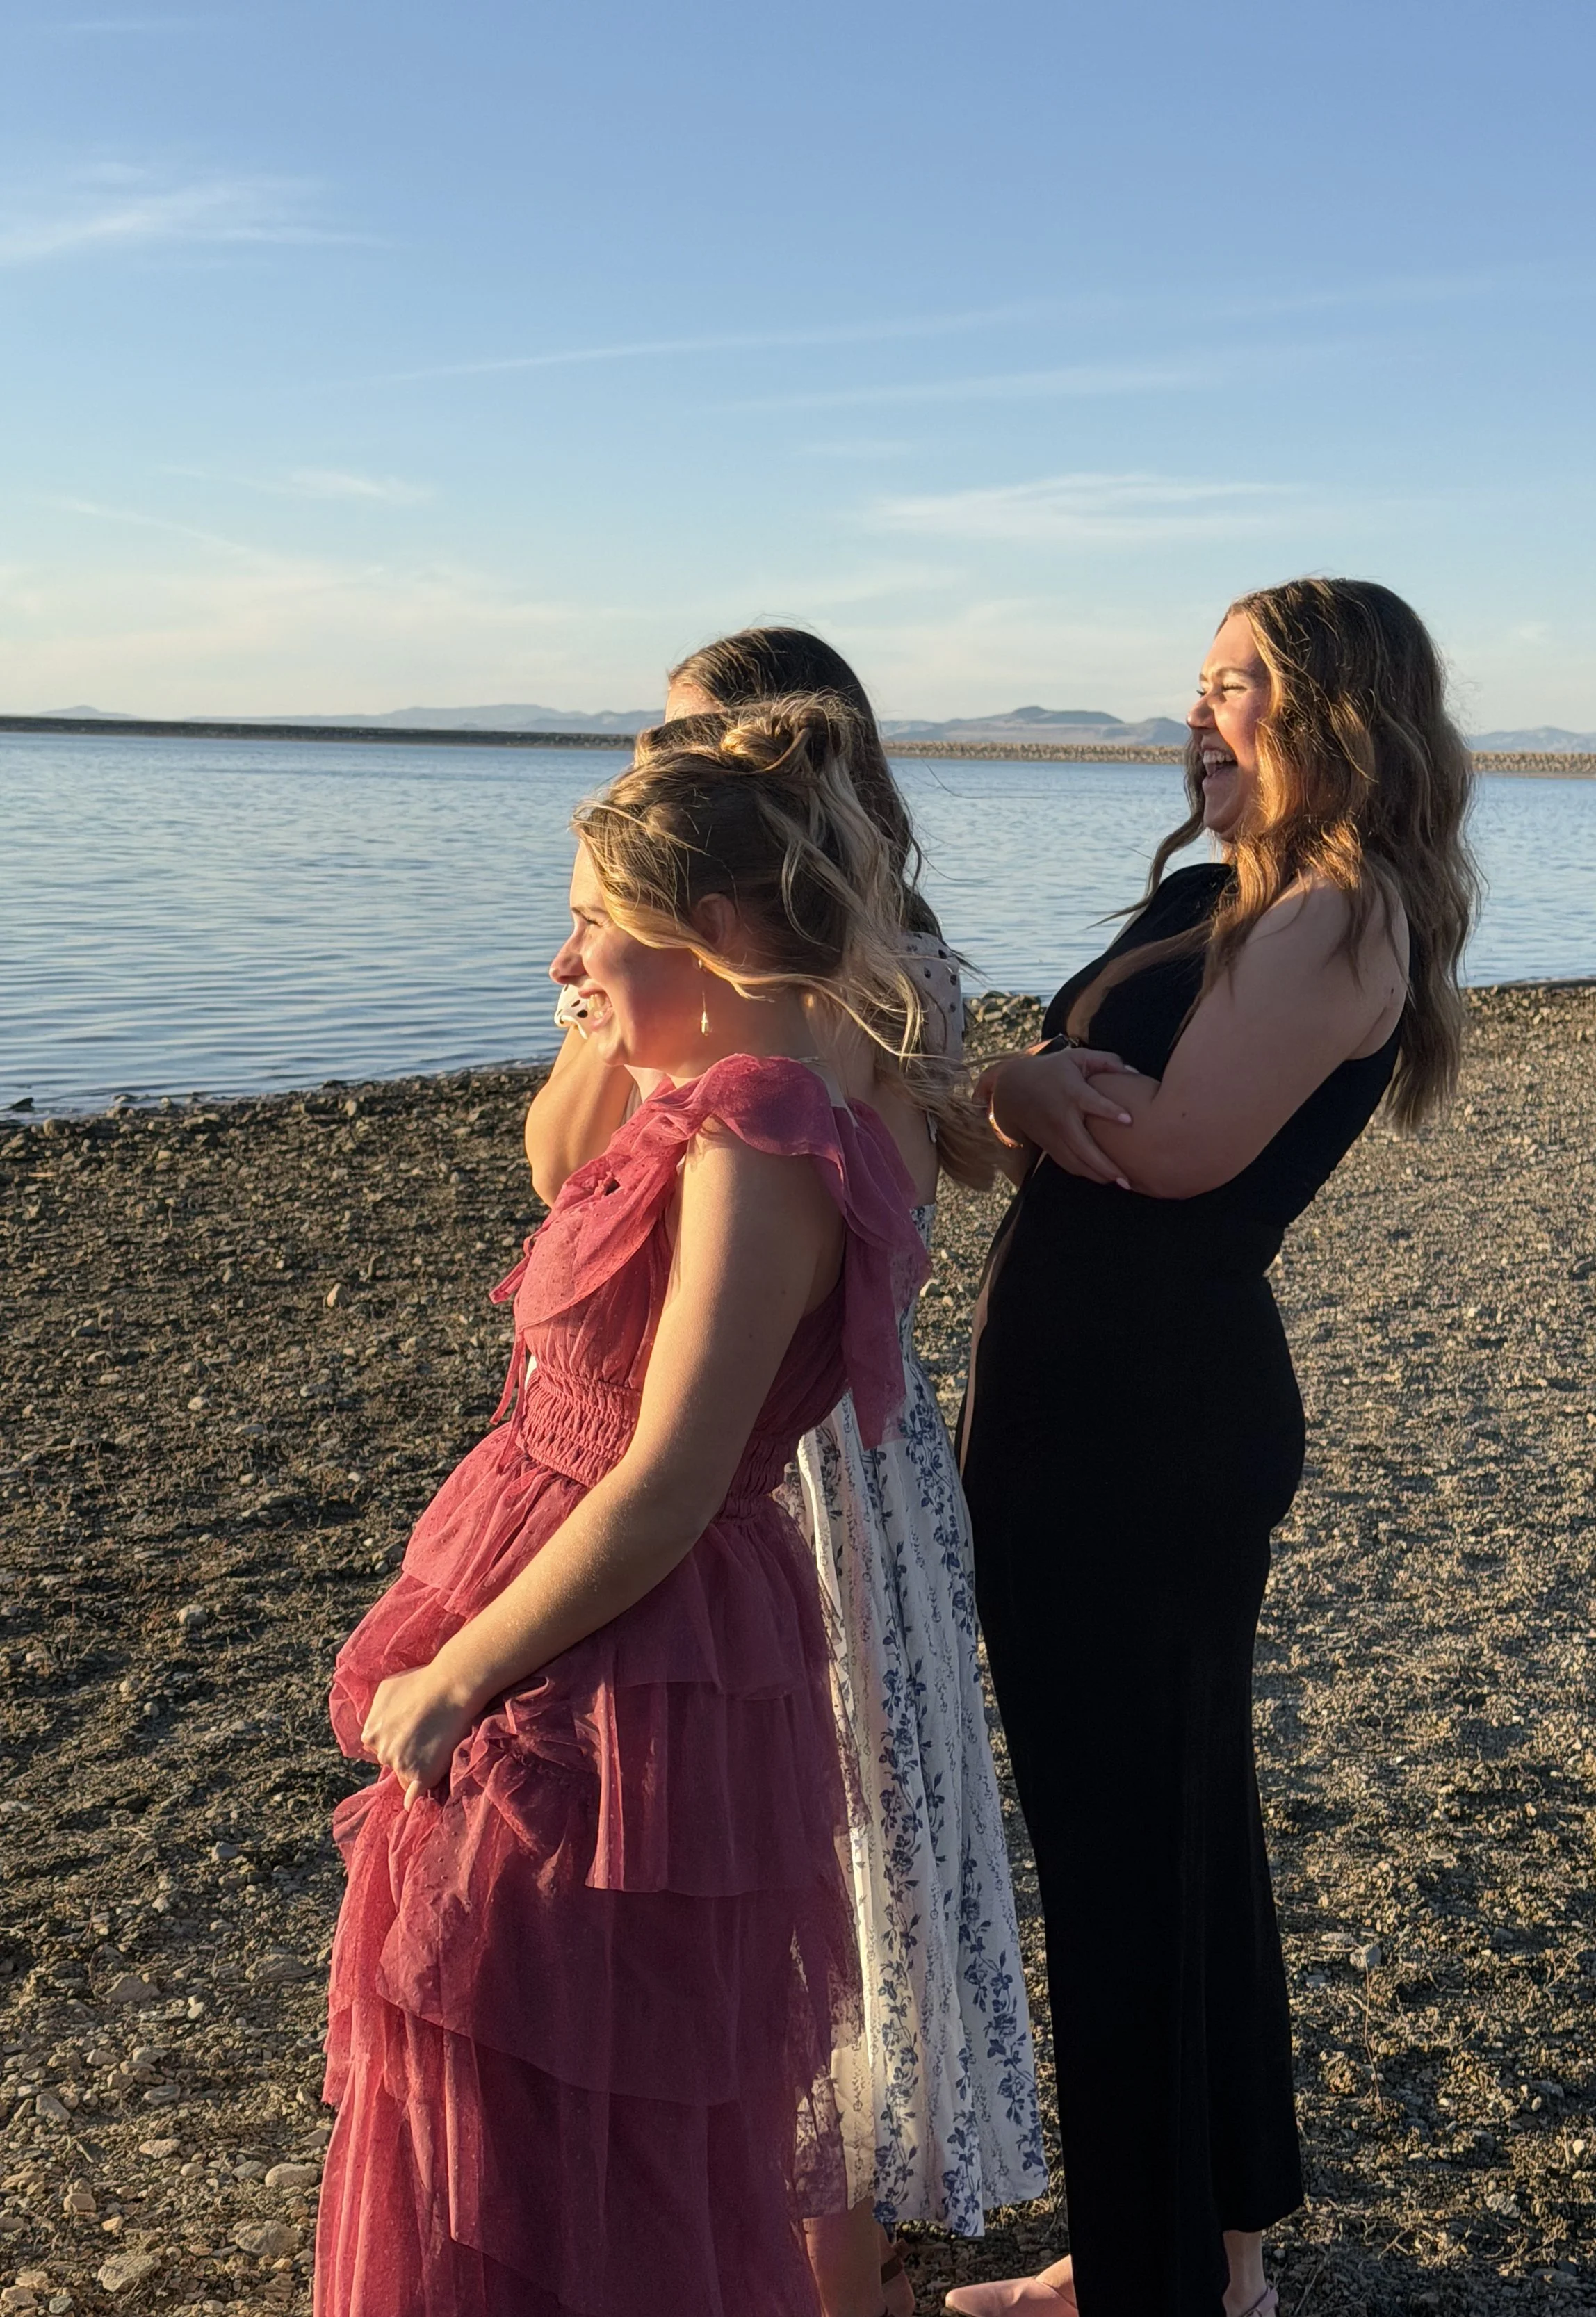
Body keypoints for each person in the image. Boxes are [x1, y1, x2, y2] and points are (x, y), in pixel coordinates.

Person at [315, 698, 951, 2317]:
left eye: (594, 923)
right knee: (573, 2089)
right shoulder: (777, 1079)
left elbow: (667, 1478)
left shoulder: (757, 1134)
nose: (561, 963)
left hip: (618, 1657)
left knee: (548, 2089)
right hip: (623, 1624)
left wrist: (461, 1673)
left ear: (716, 930)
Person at [948, 579, 1478, 2317]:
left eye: (1234, 682)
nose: (1199, 711)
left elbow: (1162, 1150)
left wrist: (1021, 1091)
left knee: (1125, 1858)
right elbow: (1063, 1114)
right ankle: (1209, 2243)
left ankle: (1154, 2278)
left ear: (1338, 709)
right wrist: (1030, 1092)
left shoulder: (1338, 912)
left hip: (1142, 1432)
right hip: (1087, 1415)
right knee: (1173, 1834)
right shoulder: (1211, 896)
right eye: (1193, 682)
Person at [526, 628, 1048, 2317]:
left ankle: (842, 2256)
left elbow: (872, 1192)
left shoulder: (885, 964)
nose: (675, 786)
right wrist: (613, 1008)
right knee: (721, 1834)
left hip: (825, 1453)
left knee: (846, 1837)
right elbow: (558, 1167)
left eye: (704, 754)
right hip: (709, 1415)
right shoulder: (653, 959)